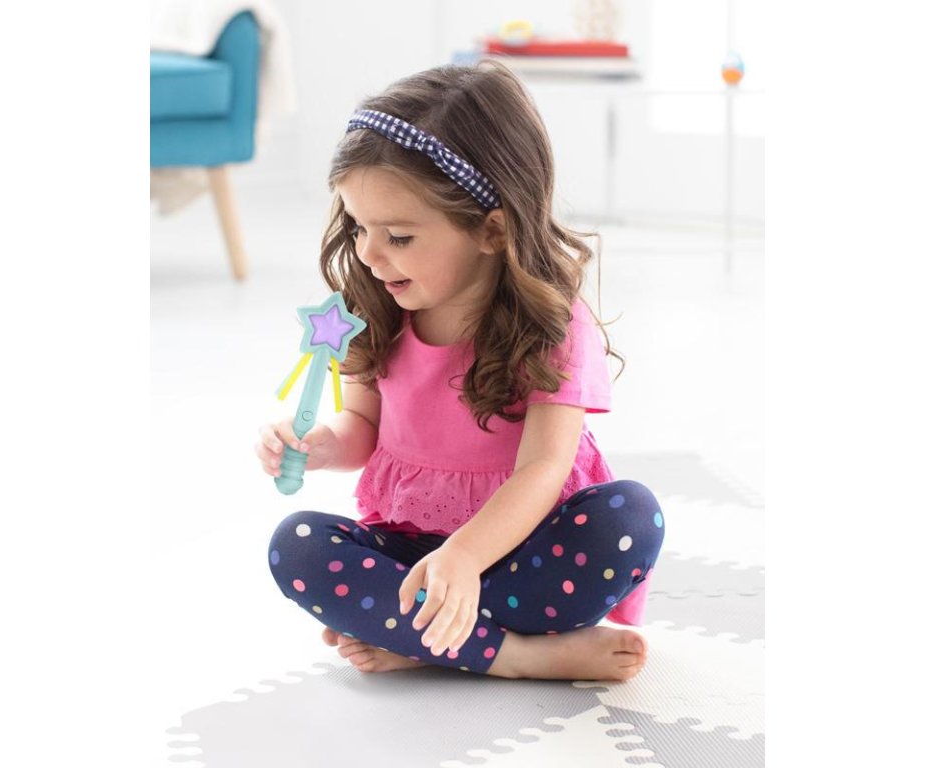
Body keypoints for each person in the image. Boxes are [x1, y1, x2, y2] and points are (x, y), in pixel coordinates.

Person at [256, 62, 665, 681]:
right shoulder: (375, 309)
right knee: (297, 546)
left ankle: (424, 636)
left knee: (630, 517)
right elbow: (362, 426)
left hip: (524, 550)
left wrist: (467, 557)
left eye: (398, 236)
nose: (368, 253)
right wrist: (319, 445)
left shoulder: (553, 325)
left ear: (491, 230)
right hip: (413, 553)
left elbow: (544, 468)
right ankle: (512, 655)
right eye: (359, 227)